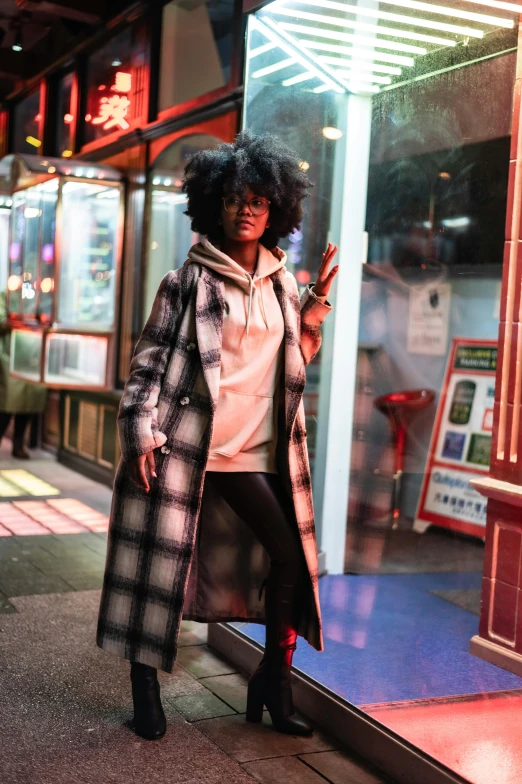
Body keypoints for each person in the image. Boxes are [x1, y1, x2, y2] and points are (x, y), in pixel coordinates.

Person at [96, 131, 338, 741]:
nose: (248, 208)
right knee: (159, 570)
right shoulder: (186, 282)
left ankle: (273, 682)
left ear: (277, 208)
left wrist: (309, 319)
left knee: (291, 558)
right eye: (235, 197)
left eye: (260, 198)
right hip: (184, 448)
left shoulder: (285, 285)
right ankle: (145, 689)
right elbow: (146, 365)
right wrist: (141, 435)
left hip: (255, 453)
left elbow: (291, 371)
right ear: (213, 206)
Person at [0, 290, 47, 458]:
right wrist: (17, 320)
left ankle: (18, 443)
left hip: (32, 356)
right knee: (6, 404)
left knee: (28, 404)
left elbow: (47, 317)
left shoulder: (39, 295)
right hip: (10, 355)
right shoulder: (5, 295)